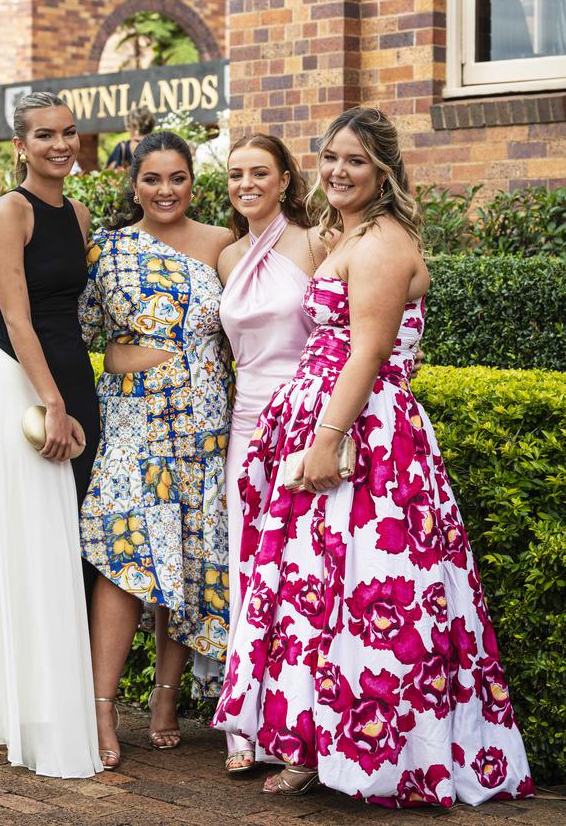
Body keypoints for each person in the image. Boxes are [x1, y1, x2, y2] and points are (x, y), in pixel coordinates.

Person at [213, 108, 533, 806]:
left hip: (367, 439)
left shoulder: (385, 242)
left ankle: (385, 759)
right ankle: (318, 745)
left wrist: (327, 438)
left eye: (354, 160)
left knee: (369, 594)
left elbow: (369, 352)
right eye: (329, 158)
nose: (337, 171)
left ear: (384, 169)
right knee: (316, 595)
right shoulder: (348, 234)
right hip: (330, 425)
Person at [79, 131, 233, 769]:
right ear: (133, 184)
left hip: (206, 425)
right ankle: (100, 706)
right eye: (152, 179)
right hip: (134, 424)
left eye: (178, 178)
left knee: (188, 557)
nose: (166, 190)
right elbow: (79, 329)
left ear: (194, 181)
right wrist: (120, 354)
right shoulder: (107, 251)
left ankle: (166, 698)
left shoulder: (224, 244)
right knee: (125, 556)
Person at [0, 92, 102, 778]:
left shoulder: (75, 213)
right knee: (37, 545)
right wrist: (52, 404)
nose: (60, 144)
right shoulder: (7, 212)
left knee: (71, 546)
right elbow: (19, 320)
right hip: (27, 386)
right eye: (45, 134)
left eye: (69, 132)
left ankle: (62, 703)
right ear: (21, 145)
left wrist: (77, 395)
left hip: (76, 379)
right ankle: (38, 719)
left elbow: (75, 309)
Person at [218, 134, 326, 772]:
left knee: (299, 571)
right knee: (246, 565)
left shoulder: (315, 244)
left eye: (260, 172)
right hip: (245, 423)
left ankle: (299, 728)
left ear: (286, 179)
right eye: (236, 175)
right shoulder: (228, 257)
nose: (247, 184)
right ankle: (245, 730)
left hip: (305, 419)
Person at [106, 104, 156, 170]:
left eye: (129, 126)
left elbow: (108, 172)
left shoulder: (123, 147)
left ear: (133, 125)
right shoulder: (160, 145)